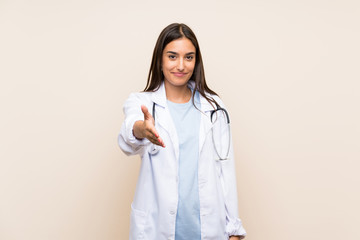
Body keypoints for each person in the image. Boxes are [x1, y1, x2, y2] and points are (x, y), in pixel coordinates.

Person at [118, 23, 246, 240]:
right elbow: (129, 133)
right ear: (160, 60)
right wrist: (142, 129)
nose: (181, 65)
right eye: (172, 56)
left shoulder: (214, 107)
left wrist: (233, 229)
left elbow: (226, 170)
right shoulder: (143, 103)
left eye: (189, 57)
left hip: (207, 229)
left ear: (196, 62)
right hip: (157, 229)